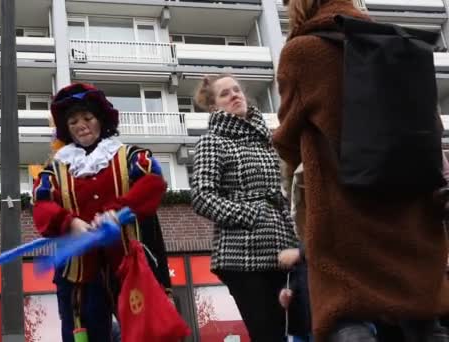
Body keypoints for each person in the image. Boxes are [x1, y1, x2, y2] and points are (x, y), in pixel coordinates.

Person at [273, 0, 449, 340]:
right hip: (411, 210)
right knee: (424, 321)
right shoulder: (395, 43)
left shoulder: (303, 52)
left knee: (346, 315)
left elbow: (287, 137)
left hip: (345, 212)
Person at [32, 82, 171, 342]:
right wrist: (70, 223)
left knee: (147, 335)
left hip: (129, 265)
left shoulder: (129, 155)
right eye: (73, 121)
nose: (81, 124)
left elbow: (153, 183)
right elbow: (42, 207)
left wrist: (116, 213)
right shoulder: (55, 169)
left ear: (101, 120)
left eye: (87, 117)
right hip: (80, 275)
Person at [190, 74, 299, 341]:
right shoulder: (212, 142)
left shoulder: (269, 142)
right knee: (268, 334)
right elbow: (202, 197)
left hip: (284, 249)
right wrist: (253, 214)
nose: (235, 95)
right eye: (225, 94)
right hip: (242, 255)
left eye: (237, 90)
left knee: (297, 331)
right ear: (214, 106)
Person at [278, 245, 312, 342]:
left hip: (327, 321)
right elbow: (298, 273)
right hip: (301, 322)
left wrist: (301, 253)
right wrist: (289, 289)